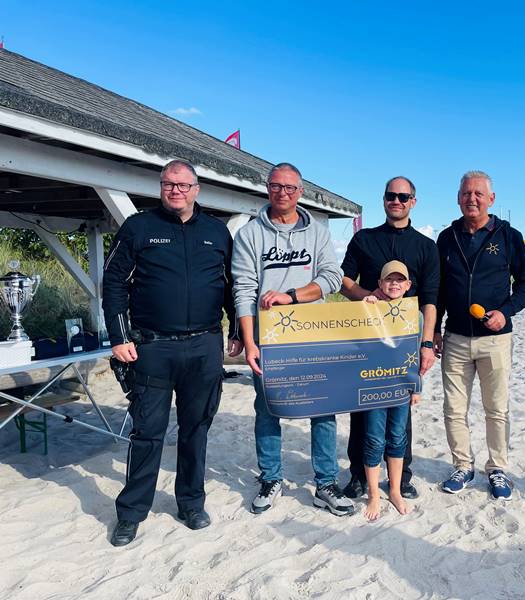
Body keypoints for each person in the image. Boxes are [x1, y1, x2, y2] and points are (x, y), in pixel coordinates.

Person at [103, 159, 242, 546]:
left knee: (196, 430)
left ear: (197, 189)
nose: (175, 190)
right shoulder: (139, 227)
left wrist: (236, 331)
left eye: (183, 185)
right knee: (147, 432)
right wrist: (118, 336)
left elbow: (232, 286)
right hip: (152, 347)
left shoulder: (216, 232)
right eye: (168, 184)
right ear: (160, 188)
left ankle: (191, 503)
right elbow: (113, 282)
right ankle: (131, 513)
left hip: (204, 346)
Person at [231, 162, 353, 516]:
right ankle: (271, 478)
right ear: (266, 188)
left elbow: (332, 276)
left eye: (290, 188)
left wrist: (294, 296)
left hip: (314, 335)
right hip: (268, 340)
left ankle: (325, 483)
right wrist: (249, 343)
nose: (282, 193)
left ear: (300, 192)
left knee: (323, 408)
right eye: (275, 186)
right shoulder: (250, 234)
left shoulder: (316, 232)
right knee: (268, 410)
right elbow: (243, 290)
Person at [433, 170, 525, 501]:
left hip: (496, 338)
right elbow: (440, 290)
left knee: (496, 409)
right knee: (454, 408)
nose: (471, 199)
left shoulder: (508, 235)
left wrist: (505, 312)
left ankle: (497, 468)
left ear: (491, 199)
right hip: (457, 338)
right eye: (466, 193)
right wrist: (434, 329)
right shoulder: (447, 238)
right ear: (458, 197)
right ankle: (463, 465)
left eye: (478, 194)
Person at [339, 176, 440, 500]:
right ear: (383, 200)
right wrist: (371, 295)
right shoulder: (364, 239)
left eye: (403, 196)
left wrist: (427, 344)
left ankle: (402, 476)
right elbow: (343, 281)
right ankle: (358, 476)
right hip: (366, 339)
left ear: (413, 201)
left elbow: (430, 300)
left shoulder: (425, 247)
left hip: (404, 344)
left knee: (401, 408)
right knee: (361, 408)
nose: (396, 201)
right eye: (390, 196)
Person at [361, 260, 421, 521]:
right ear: (380, 284)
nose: (394, 284)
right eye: (389, 279)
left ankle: (394, 489)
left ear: (407, 285)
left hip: (400, 386)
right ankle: (374, 493)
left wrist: (416, 387)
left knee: (397, 437)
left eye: (399, 280)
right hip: (373, 385)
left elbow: (416, 354)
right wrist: (367, 304)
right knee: (374, 438)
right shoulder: (368, 309)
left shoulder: (414, 314)